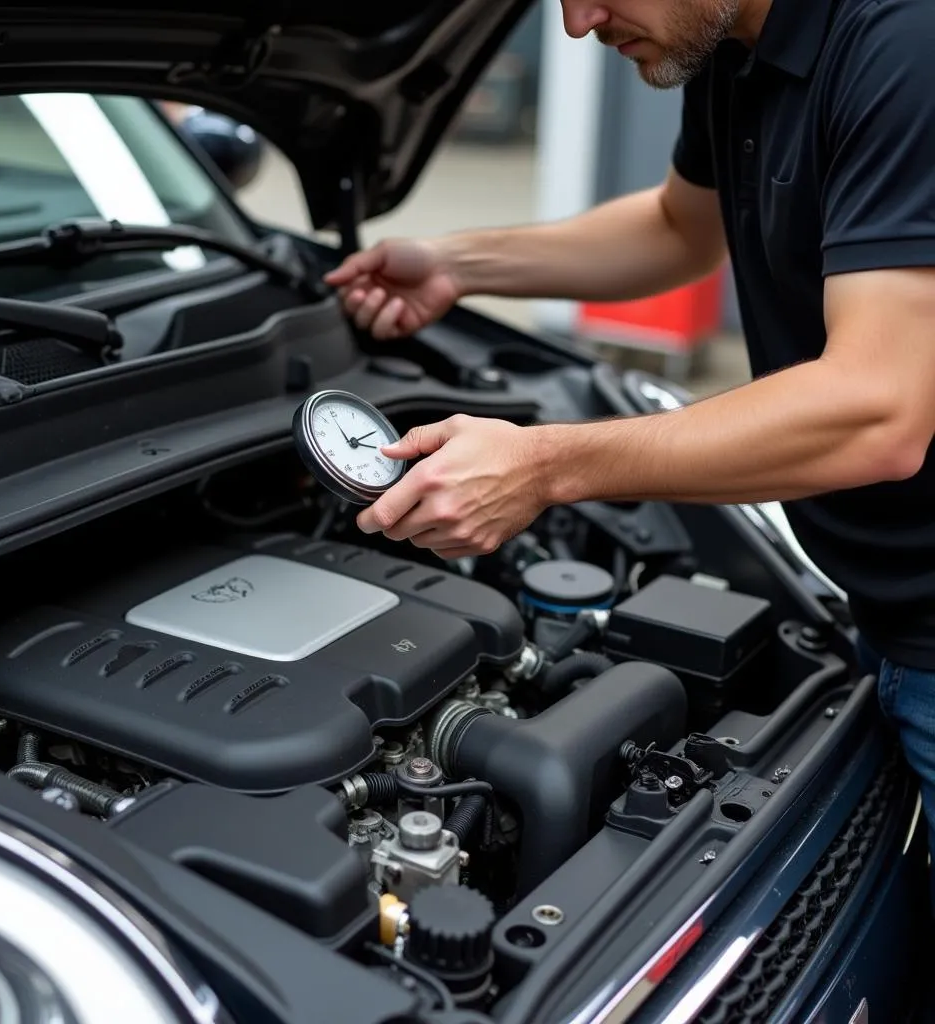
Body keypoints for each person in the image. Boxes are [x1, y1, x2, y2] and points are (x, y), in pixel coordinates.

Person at [324, 0, 935, 897]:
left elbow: (880, 411)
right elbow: (679, 228)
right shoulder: (738, 47)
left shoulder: (906, 44)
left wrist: (546, 465)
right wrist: (458, 264)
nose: (577, 23)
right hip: (884, 602)